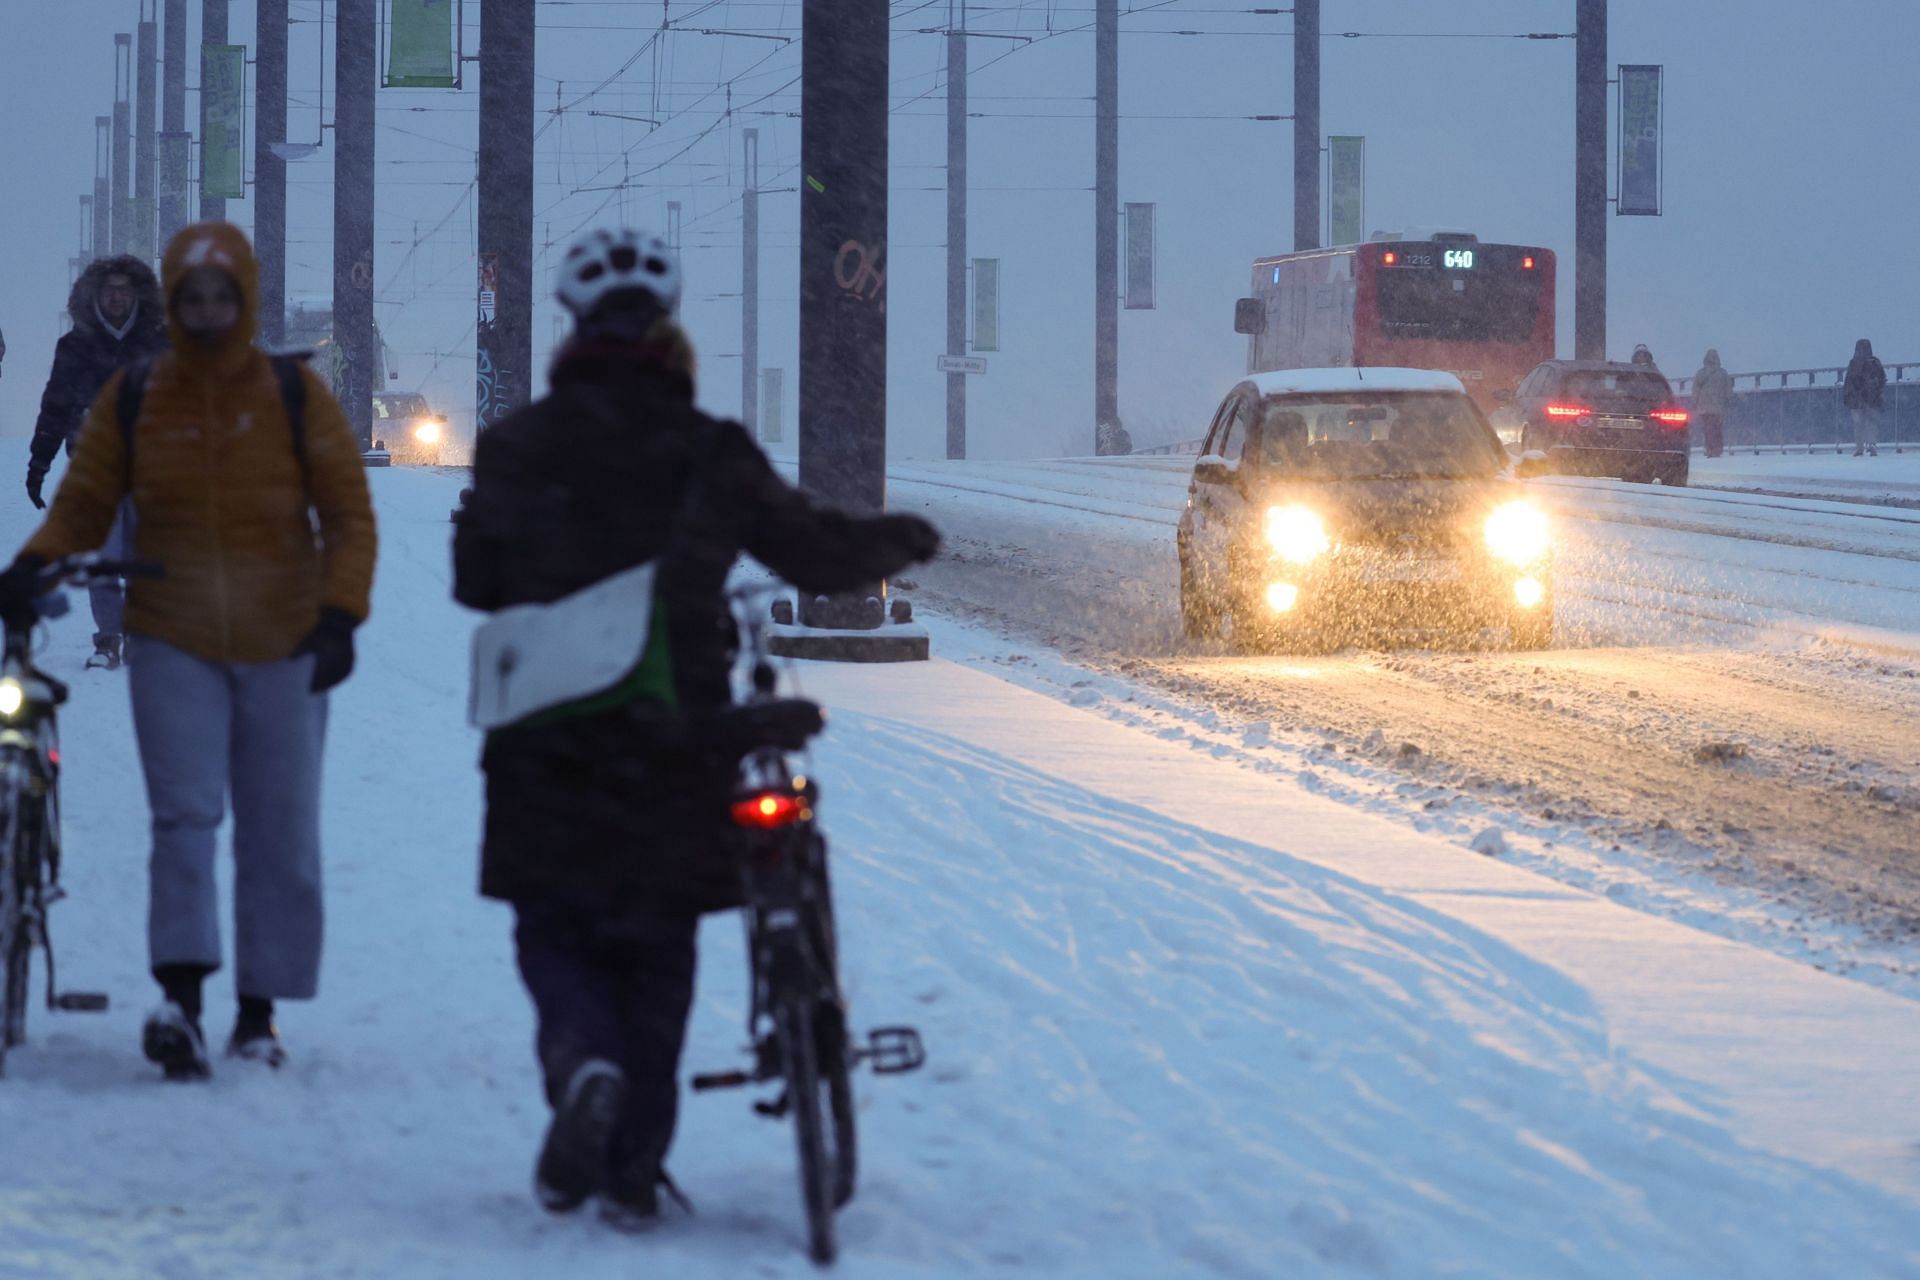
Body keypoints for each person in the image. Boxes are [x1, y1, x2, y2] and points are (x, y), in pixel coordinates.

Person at [452, 227, 940, 1229]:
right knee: (655, 945)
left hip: (545, 737)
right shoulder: (708, 449)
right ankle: (633, 1165)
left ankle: (581, 1060)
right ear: (668, 332)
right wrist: (908, 536)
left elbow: (477, 581)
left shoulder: (516, 446)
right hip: (675, 732)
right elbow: (813, 550)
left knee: (557, 927)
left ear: (573, 327)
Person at [0, 221, 377, 1080]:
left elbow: (349, 516)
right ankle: (182, 998)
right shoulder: (137, 397)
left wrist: (339, 614)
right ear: (175, 299)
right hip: (172, 638)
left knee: (279, 831)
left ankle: (259, 1011)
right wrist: (29, 568)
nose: (206, 312)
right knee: (183, 821)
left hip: (285, 641)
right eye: (193, 297)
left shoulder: (293, 397)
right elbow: (85, 503)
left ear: (241, 301)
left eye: (222, 297)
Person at [26, 255, 169, 670]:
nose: (117, 298)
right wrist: (39, 463)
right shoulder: (75, 347)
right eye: (109, 290)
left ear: (137, 294)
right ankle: (109, 637)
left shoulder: (162, 344)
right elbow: (54, 406)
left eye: (124, 290)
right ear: (95, 295)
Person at [1843, 338, 1886, 457]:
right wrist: (1877, 390)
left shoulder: (1853, 363)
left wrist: (1848, 396)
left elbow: (1848, 381)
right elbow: (1882, 378)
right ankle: (1871, 446)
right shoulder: (1875, 362)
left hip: (1857, 400)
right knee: (1871, 423)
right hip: (1871, 399)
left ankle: (1859, 448)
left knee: (1858, 424)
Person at [1692, 348, 1733, 458]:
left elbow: (1695, 389)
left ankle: (1709, 449)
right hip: (1718, 407)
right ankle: (1717, 449)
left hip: (1704, 407)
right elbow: (1728, 389)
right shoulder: (1722, 373)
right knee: (1717, 429)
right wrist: (1728, 399)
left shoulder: (1701, 373)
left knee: (1707, 430)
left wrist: (1695, 402)